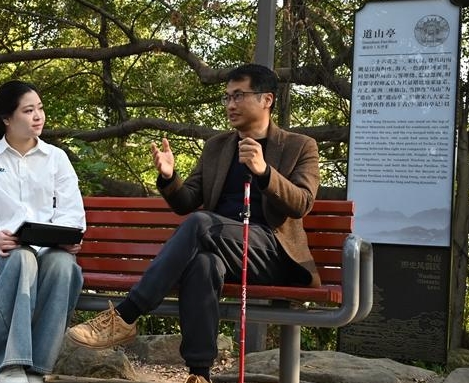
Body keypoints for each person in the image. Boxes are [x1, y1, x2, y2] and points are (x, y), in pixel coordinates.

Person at [67, 63, 320, 383]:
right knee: (203, 264)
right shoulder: (218, 147)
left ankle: (127, 314)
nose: (230, 104)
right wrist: (169, 176)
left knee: (202, 223)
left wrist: (264, 171)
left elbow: (302, 203)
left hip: (271, 253)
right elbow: (185, 203)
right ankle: (200, 374)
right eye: (227, 97)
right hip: (225, 249)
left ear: (266, 99)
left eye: (238, 96)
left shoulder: (299, 146)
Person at [0, 80, 85, 383]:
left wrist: (68, 237)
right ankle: (10, 366)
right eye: (28, 111)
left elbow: (71, 210)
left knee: (63, 265)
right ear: (7, 118)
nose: (38, 116)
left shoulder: (56, 158)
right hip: (0, 254)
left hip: (47, 251)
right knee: (21, 258)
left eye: (40, 108)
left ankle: (36, 369)